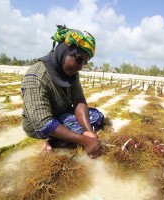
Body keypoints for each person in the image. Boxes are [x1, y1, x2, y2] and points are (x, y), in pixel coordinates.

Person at [21, 25, 104, 159]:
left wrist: (88, 132)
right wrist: (85, 141)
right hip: (40, 127)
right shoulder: (35, 77)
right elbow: (42, 123)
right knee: (76, 131)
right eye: (78, 60)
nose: (80, 67)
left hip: (61, 116)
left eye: (84, 63)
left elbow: (79, 101)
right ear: (65, 50)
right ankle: (53, 141)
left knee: (96, 116)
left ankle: (63, 138)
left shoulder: (72, 74)